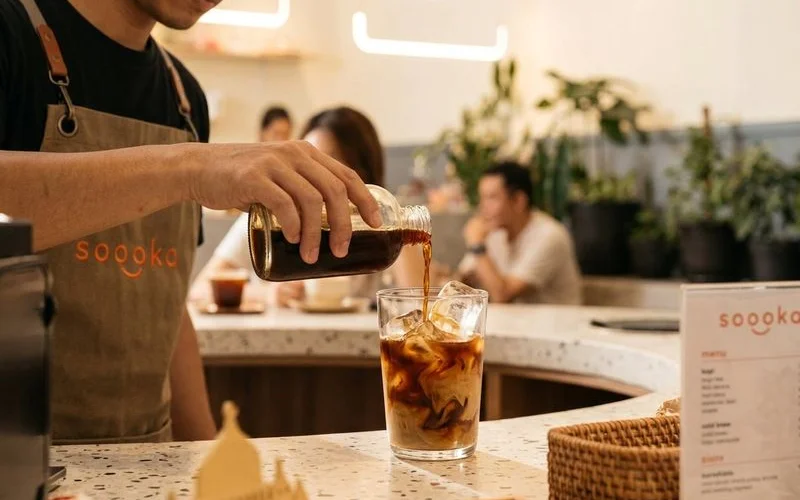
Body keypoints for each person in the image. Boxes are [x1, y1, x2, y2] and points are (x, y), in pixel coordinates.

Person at [0, 0, 381, 444]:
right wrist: (190, 168)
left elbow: (166, 299)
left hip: (150, 456)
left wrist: (206, 454)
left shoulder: (183, 97)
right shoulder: (12, 31)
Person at [195, 106, 428, 306]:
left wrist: (398, 227)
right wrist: (266, 293)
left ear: (359, 173)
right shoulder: (272, 217)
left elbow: (419, 305)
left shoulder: (382, 232)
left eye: (328, 162)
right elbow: (199, 290)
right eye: (307, 161)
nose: (312, 173)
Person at [457, 161, 582, 304]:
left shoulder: (549, 235)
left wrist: (477, 245)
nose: (483, 207)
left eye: (492, 198)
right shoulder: (495, 232)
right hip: (515, 323)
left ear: (518, 200)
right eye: (482, 198)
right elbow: (464, 281)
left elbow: (503, 295)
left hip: (556, 324)